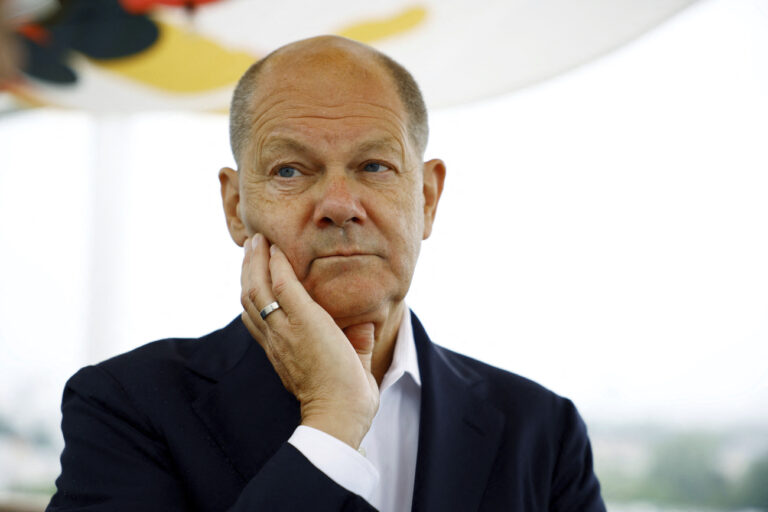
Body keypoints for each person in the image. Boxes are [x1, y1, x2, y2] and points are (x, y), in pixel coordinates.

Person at [48, 35, 606, 512]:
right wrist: (332, 421)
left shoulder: (543, 431)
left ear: (428, 199)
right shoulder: (125, 405)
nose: (339, 203)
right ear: (235, 206)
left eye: (374, 166)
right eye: (290, 169)